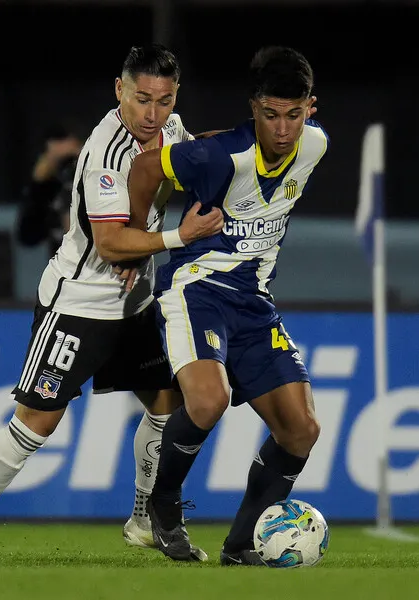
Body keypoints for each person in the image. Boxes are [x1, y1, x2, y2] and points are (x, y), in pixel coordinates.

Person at [0, 43, 225, 563]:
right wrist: (178, 237)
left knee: (168, 409)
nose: (152, 113)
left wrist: (242, 144)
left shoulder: (171, 129)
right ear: (119, 90)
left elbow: (198, 151)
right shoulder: (106, 152)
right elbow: (112, 245)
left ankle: (143, 518)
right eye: (141, 99)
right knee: (37, 422)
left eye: (163, 101)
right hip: (79, 303)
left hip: (134, 303)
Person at [126, 45, 327, 564]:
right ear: (253, 107)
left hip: (255, 303)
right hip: (197, 289)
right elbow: (146, 170)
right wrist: (143, 235)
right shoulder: (221, 157)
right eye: (269, 114)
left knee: (302, 429)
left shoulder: (316, 145)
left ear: (311, 107)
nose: (282, 129)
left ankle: (240, 546)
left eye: (294, 114)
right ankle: (162, 504)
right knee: (208, 401)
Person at [16, 123, 85, 259]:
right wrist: (39, 184)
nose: (69, 165)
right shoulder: (51, 188)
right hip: (64, 272)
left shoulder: (98, 178)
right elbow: (28, 237)